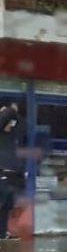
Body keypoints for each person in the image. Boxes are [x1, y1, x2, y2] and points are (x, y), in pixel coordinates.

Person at [0, 103, 22, 240]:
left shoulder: (11, 136)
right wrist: (10, 109)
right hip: (1, 172)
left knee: (7, 206)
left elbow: (23, 125)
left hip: (11, 174)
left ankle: (2, 233)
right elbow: (5, 117)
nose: (10, 125)